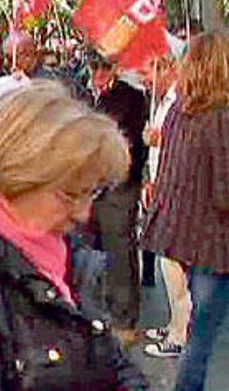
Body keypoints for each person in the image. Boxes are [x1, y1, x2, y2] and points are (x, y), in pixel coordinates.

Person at [0, 80, 147, 390]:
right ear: (17, 178)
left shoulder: (67, 255)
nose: (84, 214)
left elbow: (113, 364)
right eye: (70, 195)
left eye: (92, 193)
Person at [143, 30, 229, 390]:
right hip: (215, 241)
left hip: (181, 233)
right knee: (202, 337)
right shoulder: (221, 116)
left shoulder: (179, 109)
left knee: (198, 332)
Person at [87, 54, 147, 347]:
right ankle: (101, 309)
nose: (98, 72)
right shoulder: (84, 94)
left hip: (119, 185)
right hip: (88, 187)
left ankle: (125, 320)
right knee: (93, 249)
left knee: (119, 250)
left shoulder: (131, 97)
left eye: (104, 66)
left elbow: (132, 142)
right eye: (94, 65)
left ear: (115, 68)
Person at [138, 56, 188, 359]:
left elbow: (185, 146)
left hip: (175, 194)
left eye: (146, 71)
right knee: (167, 264)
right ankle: (174, 324)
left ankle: (180, 334)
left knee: (175, 267)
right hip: (159, 188)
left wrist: (162, 140)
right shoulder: (161, 99)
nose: (144, 79)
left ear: (165, 68)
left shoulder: (180, 101)